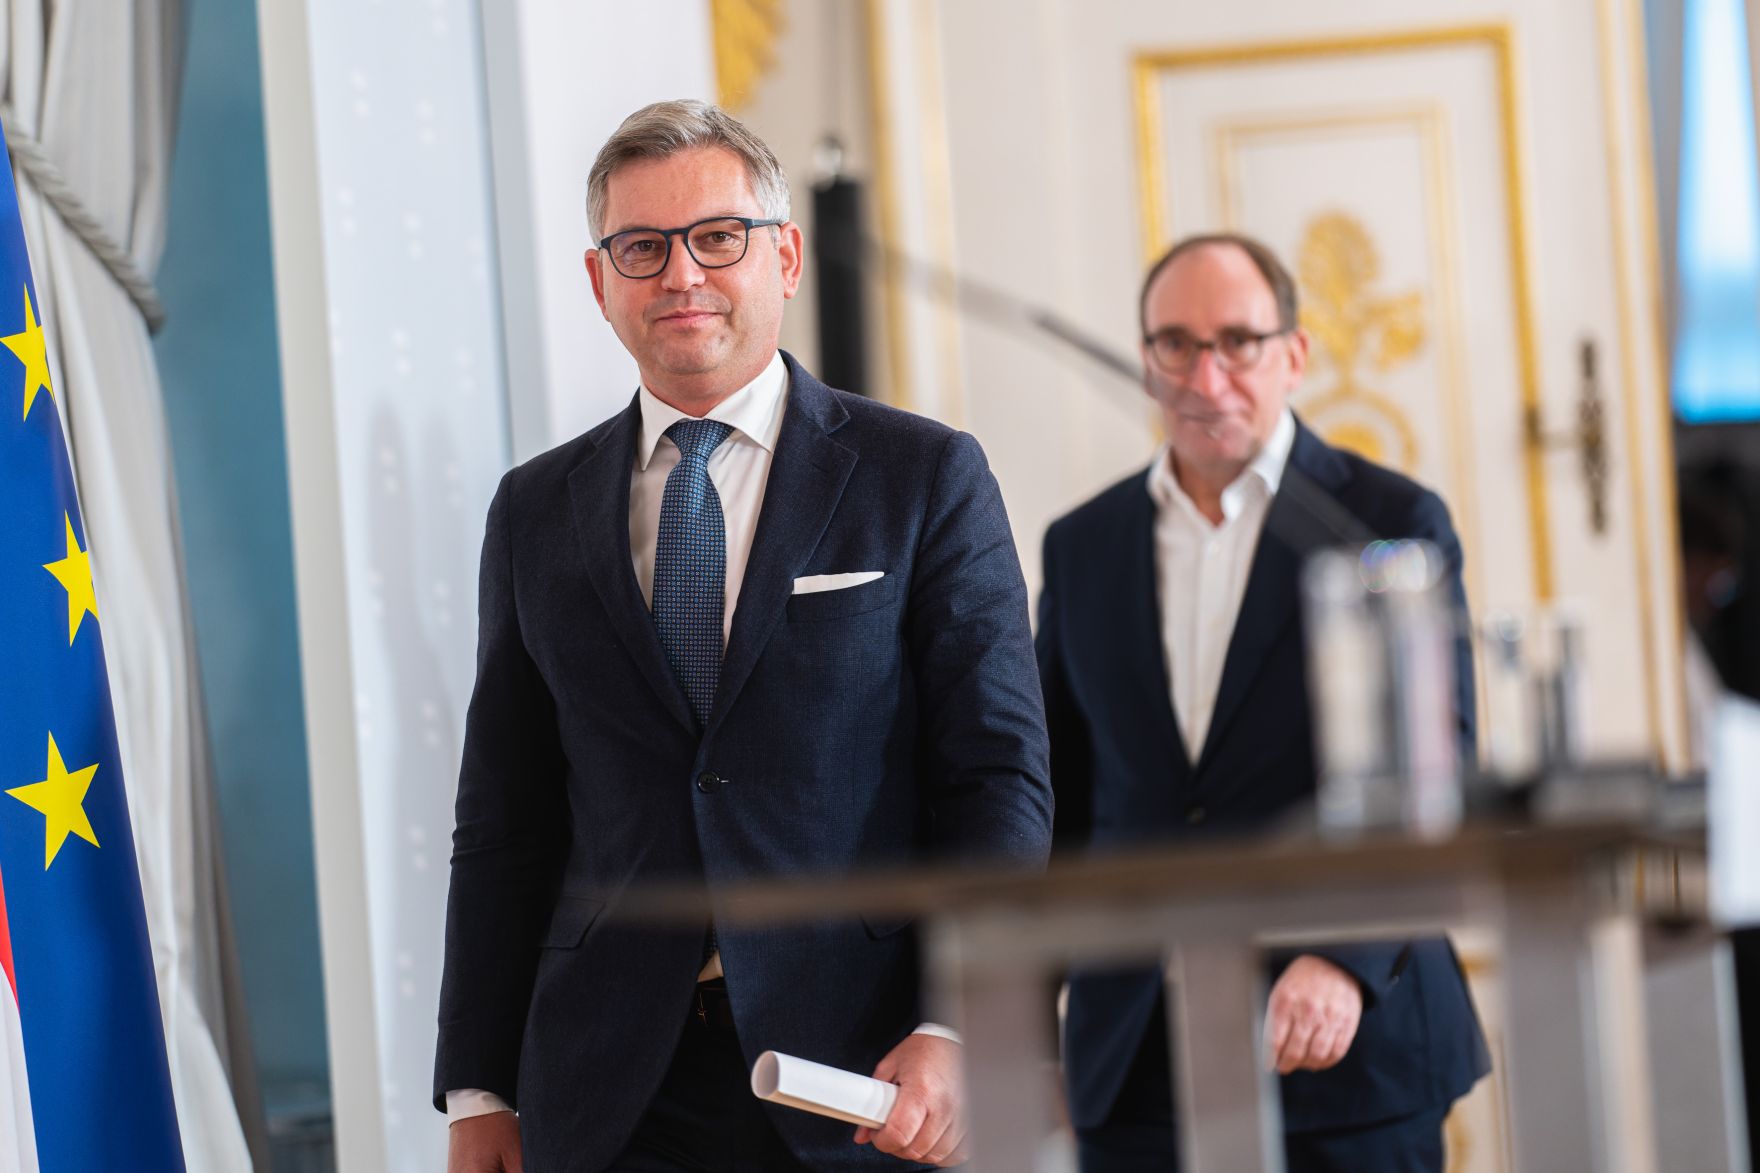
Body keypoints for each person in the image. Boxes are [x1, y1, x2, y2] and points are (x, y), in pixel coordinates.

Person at [434, 100, 1052, 1173]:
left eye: (717, 237)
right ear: (599, 282)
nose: (681, 274)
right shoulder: (533, 511)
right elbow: (504, 820)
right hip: (608, 1094)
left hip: (864, 1075)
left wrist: (961, 1022)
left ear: (786, 257)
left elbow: (996, 777)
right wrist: (478, 1089)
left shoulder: (922, 477)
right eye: (642, 247)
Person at [1036, 233, 1490, 1172]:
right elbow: (1057, 804)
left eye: (1238, 342)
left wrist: (1344, 956)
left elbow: (1431, 771)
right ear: (1146, 359)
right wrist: (1028, 1026)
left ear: (1296, 353)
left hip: (1345, 1050)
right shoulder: (1082, 544)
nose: (1207, 378)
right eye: (1175, 344)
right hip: (1133, 1063)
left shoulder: (1389, 521)